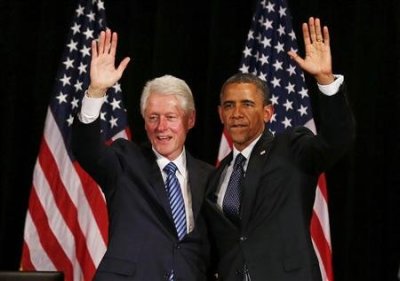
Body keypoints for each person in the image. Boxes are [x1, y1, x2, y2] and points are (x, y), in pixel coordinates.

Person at [204, 17, 355, 280]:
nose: (236, 113)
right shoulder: (217, 175)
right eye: (229, 105)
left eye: (247, 104)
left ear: (268, 112)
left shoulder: (291, 147)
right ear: (220, 114)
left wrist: (325, 80)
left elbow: (336, 140)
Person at [71, 29, 215, 281]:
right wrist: (96, 91)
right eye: (153, 118)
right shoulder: (124, 160)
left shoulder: (210, 176)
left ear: (190, 120)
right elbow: (87, 150)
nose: (161, 127)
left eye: (171, 117)